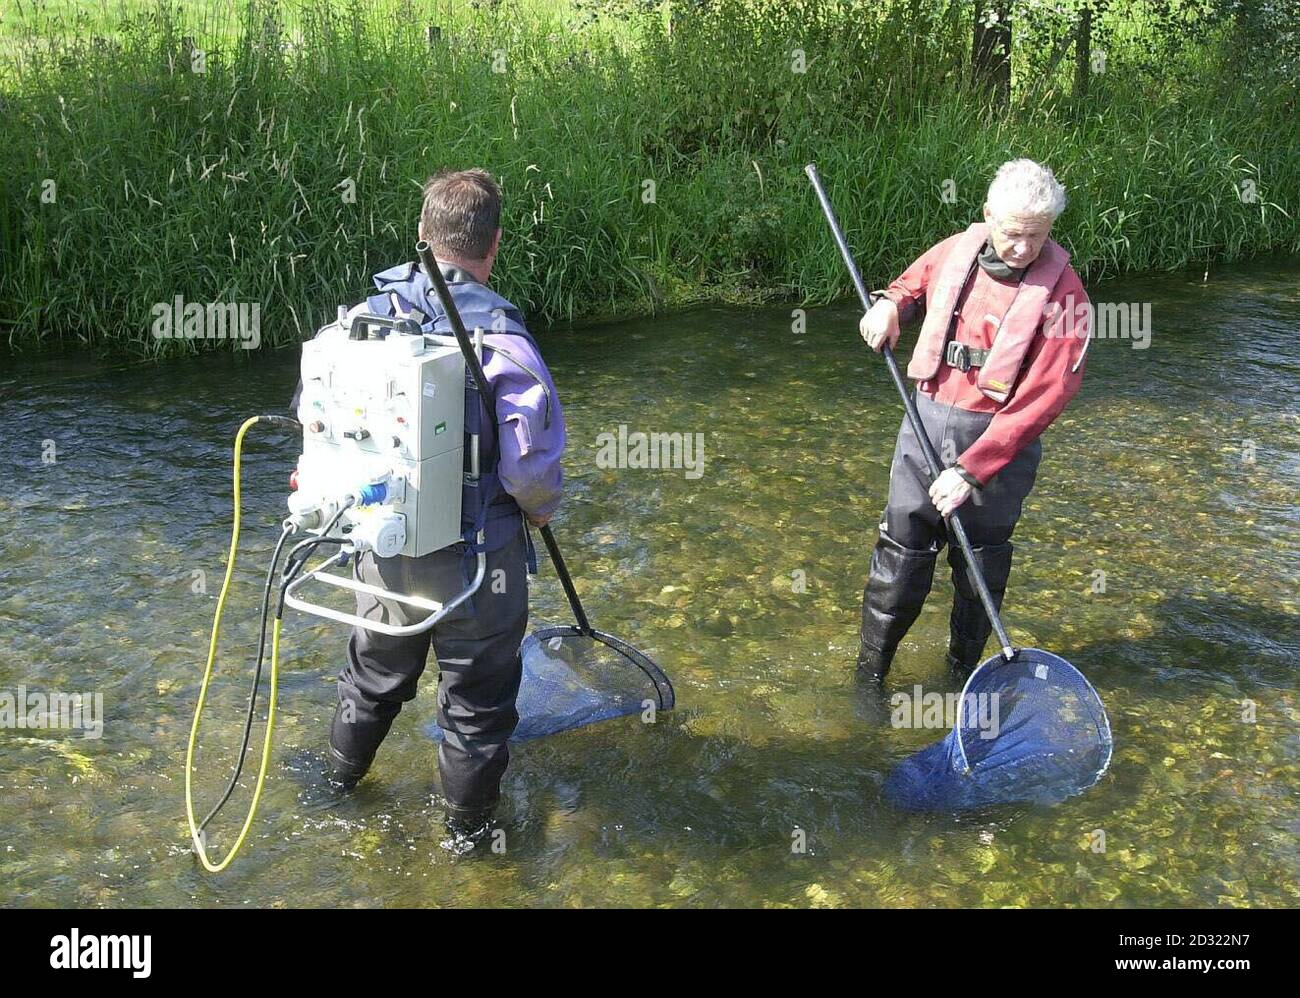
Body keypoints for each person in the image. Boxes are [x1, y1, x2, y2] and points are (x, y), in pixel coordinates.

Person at [291, 168, 566, 838]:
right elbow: (532, 473)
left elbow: (312, 412)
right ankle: (469, 846)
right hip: (479, 565)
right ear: (494, 244)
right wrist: (539, 512)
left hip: (383, 550)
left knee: (372, 678)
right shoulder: (505, 339)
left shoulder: (359, 319)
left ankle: (333, 790)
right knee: (475, 709)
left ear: (422, 234)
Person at [856, 159, 1090, 682]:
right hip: (924, 424)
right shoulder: (954, 251)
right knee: (901, 554)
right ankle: (870, 675)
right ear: (988, 215)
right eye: (1012, 233)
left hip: (998, 446)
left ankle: (962, 675)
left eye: (1037, 235)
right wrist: (890, 306)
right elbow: (909, 287)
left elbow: (1046, 396)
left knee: (979, 565)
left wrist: (972, 470)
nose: (1023, 247)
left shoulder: (1065, 294)